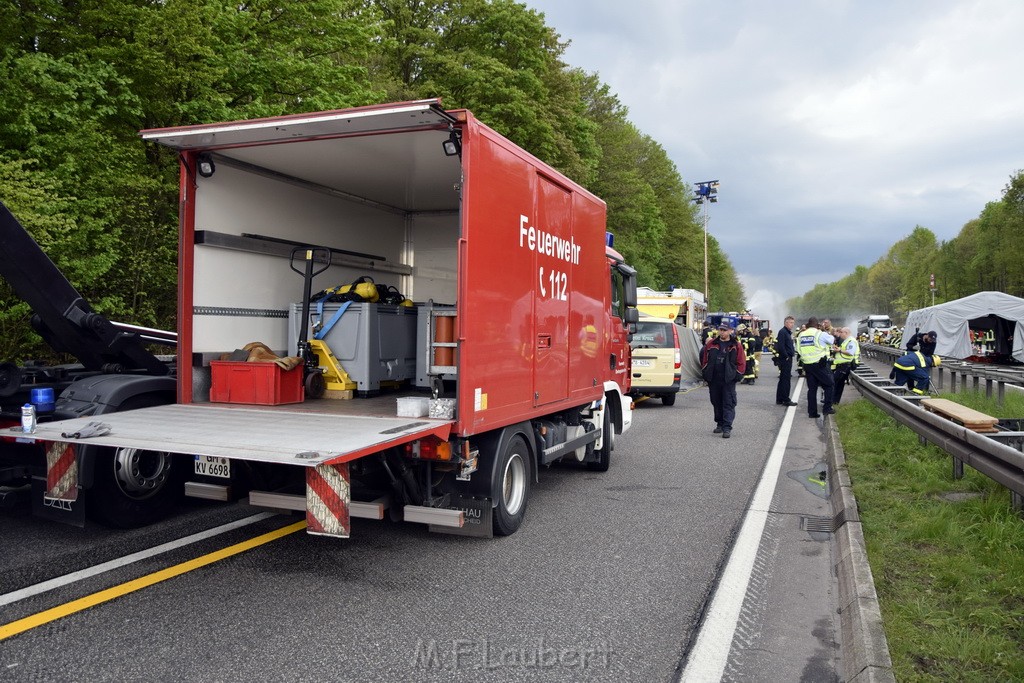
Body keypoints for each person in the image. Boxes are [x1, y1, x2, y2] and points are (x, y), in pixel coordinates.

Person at [701, 321, 747, 439]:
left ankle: (727, 427)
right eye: (721, 329)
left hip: (728, 379)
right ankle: (719, 424)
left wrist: (737, 375)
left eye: (724, 330)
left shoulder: (736, 345)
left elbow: (741, 362)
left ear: (730, 331)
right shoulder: (711, 344)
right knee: (716, 401)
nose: (722, 332)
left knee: (728, 403)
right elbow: (704, 358)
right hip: (714, 379)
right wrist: (706, 372)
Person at [796, 317, 835, 418]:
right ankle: (827, 408)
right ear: (818, 325)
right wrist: (823, 329)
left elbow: (798, 350)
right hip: (819, 364)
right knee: (829, 384)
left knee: (812, 389)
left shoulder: (801, 335)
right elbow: (832, 340)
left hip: (807, 365)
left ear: (808, 325)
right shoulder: (820, 333)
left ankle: (812, 413)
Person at [831, 327, 860, 405]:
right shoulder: (846, 341)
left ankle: (832, 401)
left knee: (834, 383)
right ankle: (835, 401)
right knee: (839, 384)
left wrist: (839, 350)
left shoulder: (851, 341)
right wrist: (838, 348)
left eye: (841, 332)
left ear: (846, 333)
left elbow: (850, 352)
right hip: (842, 365)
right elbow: (844, 349)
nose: (840, 334)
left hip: (845, 365)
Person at [775, 316, 798, 406]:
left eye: (793, 323)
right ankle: (786, 399)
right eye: (791, 322)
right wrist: (786, 356)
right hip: (785, 358)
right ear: (786, 323)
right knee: (786, 379)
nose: (792, 324)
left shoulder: (787, 332)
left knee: (783, 379)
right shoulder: (783, 332)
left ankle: (780, 398)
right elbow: (781, 346)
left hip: (787, 357)